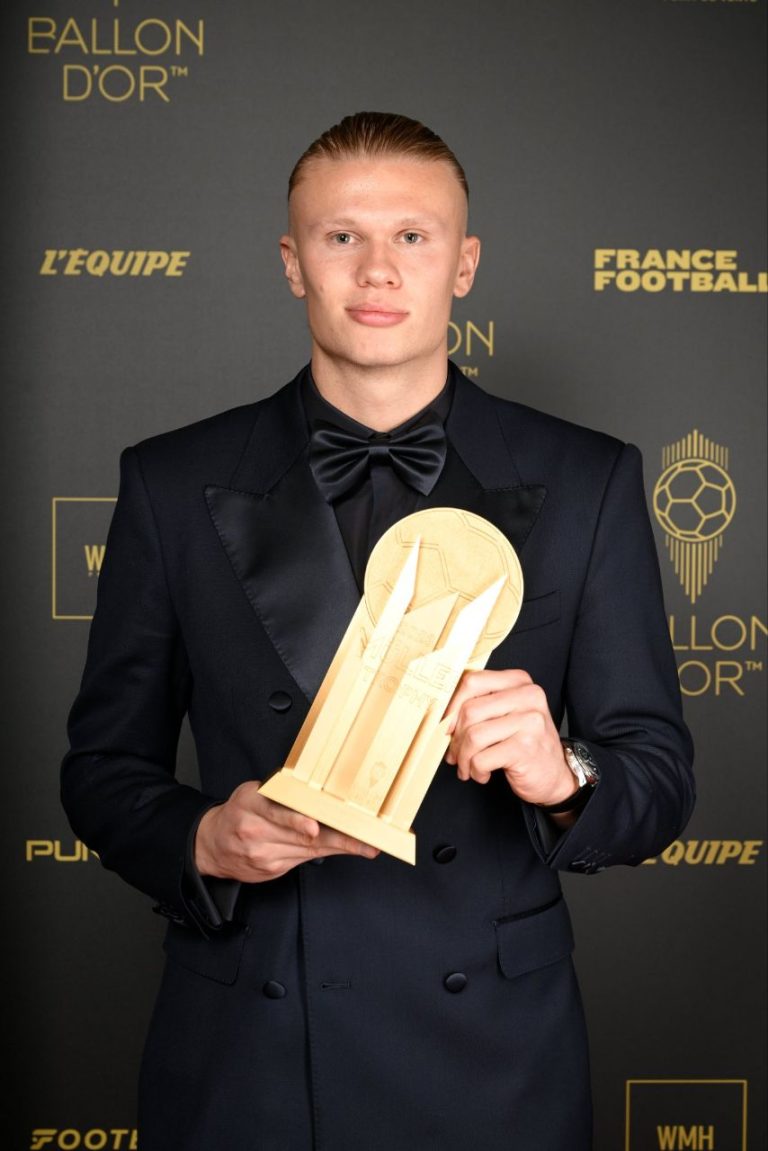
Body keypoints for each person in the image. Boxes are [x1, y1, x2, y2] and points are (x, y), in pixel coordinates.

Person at [61, 112, 694, 1151]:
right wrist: (203, 838)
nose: (377, 270)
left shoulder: (589, 479)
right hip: (252, 1054)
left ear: (464, 264)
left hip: (492, 1064)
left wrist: (564, 771)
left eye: (412, 235)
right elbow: (101, 770)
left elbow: (660, 778)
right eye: (341, 236)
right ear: (291, 262)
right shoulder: (171, 482)